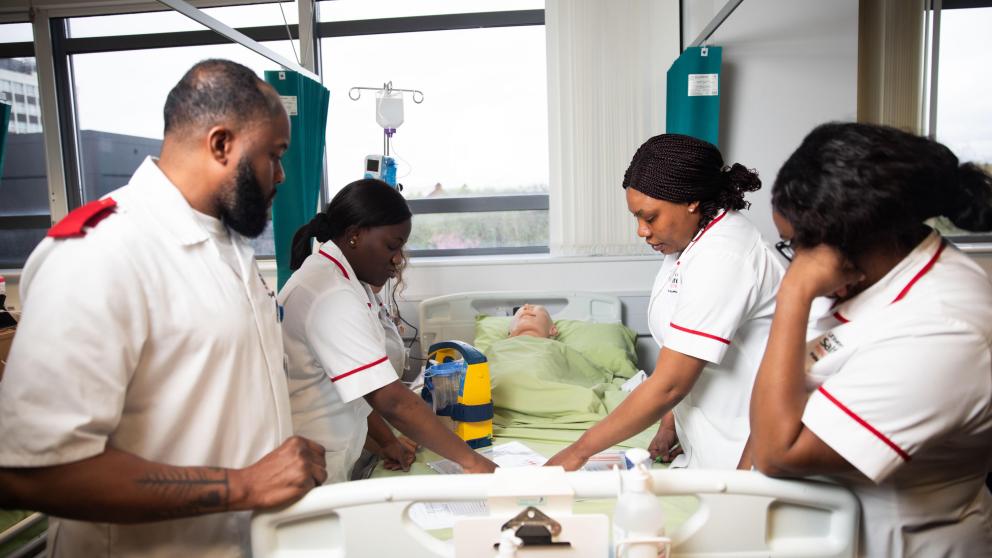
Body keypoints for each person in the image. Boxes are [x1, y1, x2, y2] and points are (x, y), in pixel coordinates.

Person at [0, 59, 326, 557]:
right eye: (273, 156)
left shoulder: (229, 244)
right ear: (221, 145)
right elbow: (30, 472)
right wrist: (242, 485)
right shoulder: (102, 252)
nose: (280, 175)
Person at [749, 122, 992, 556]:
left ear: (853, 239)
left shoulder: (945, 328)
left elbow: (777, 452)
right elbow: (777, 399)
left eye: (798, 247)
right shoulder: (867, 279)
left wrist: (793, 294)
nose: (796, 263)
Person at [547, 133, 783, 471]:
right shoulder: (688, 241)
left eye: (650, 217)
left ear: (691, 200)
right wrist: (670, 424)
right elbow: (680, 344)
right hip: (708, 443)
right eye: (636, 218)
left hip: (744, 452)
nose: (641, 231)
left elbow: (671, 383)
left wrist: (577, 453)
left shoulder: (724, 256)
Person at [280, 178, 496, 483]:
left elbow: (355, 388)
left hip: (332, 454)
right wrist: (473, 463)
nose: (398, 259)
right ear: (354, 235)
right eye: (391, 246)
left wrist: (387, 441)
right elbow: (390, 400)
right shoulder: (331, 294)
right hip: (312, 466)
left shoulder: (349, 281)